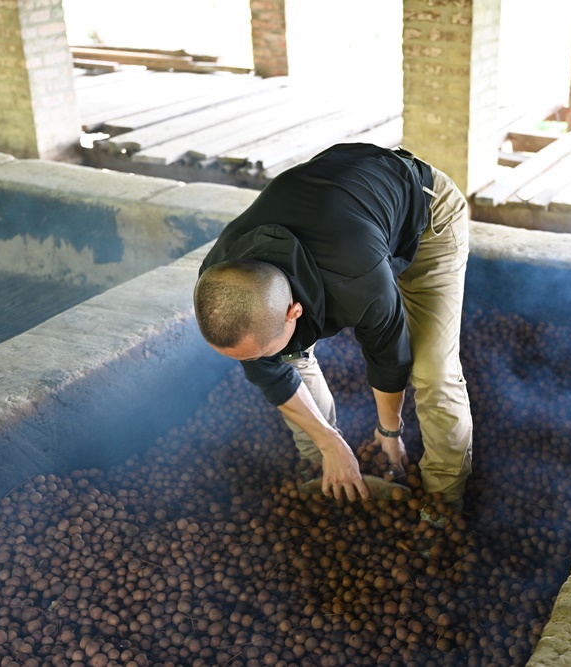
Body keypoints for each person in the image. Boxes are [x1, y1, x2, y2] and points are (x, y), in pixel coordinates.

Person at [193, 143, 472, 506]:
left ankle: (443, 504)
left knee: (434, 371)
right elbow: (270, 370)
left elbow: (388, 355)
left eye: (258, 354)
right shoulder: (223, 281)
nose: (254, 362)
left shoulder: (356, 279)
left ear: (294, 311)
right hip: (345, 207)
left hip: (426, 209)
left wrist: (389, 430)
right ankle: (323, 466)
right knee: (286, 357)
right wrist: (330, 443)